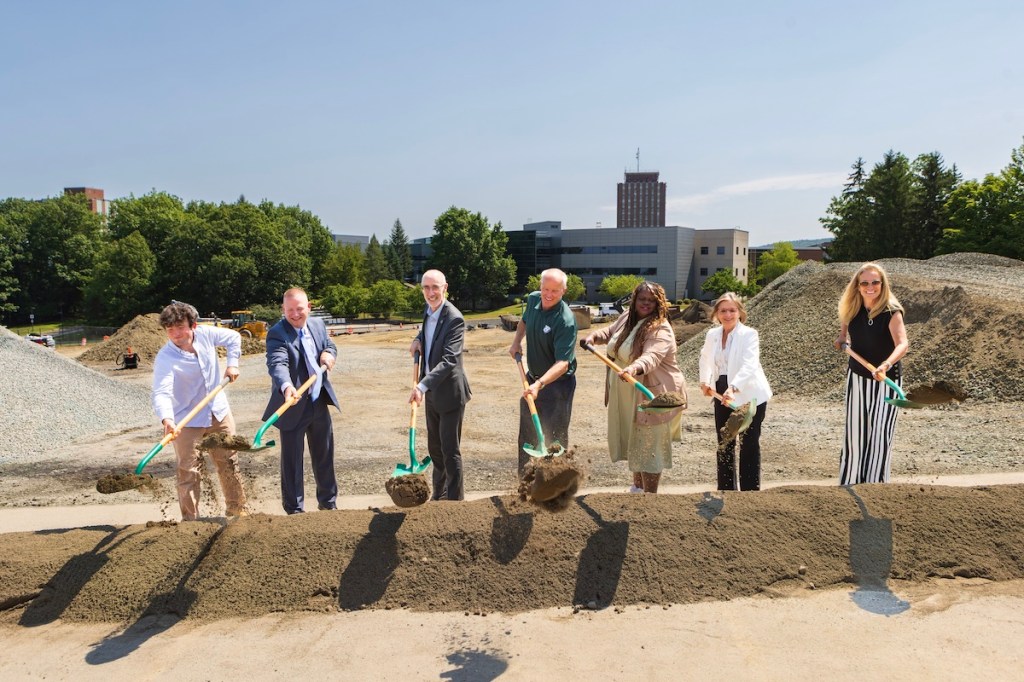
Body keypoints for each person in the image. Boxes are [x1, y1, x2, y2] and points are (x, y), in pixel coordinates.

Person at [582, 281, 686, 493]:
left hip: (650, 394)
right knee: (636, 441)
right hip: (628, 390)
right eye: (642, 299)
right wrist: (593, 337)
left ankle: (649, 496)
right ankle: (637, 489)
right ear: (634, 300)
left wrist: (633, 369)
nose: (646, 303)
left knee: (649, 446)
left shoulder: (660, 328)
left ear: (659, 304)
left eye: (651, 300)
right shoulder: (627, 319)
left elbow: (652, 356)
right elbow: (610, 333)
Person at [151, 301, 248, 520]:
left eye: (180, 327)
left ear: (193, 325)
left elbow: (234, 338)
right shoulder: (166, 358)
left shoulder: (205, 334)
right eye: (170, 329)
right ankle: (191, 521)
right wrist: (167, 420)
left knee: (228, 461)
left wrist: (233, 364)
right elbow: (162, 392)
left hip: (218, 412)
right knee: (188, 470)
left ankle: (237, 510)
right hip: (186, 419)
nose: (175, 334)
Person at [263, 287, 339, 514]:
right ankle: (295, 510)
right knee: (292, 463)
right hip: (292, 405)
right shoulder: (277, 333)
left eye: (299, 309)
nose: (295, 314)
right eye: (289, 310)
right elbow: (277, 364)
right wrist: (286, 387)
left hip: (317, 401)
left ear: (309, 307)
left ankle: (328, 504)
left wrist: (329, 353)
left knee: (324, 456)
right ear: (283, 310)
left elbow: (329, 345)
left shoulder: (317, 325)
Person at [834, 262, 909, 485]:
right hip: (857, 378)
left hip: (886, 380)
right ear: (857, 286)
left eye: (875, 282)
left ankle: (876, 488)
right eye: (865, 282)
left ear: (882, 284)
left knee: (879, 436)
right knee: (855, 433)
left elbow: (903, 344)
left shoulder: (891, 312)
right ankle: (849, 483)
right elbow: (844, 336)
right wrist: (841, 340)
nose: (870, 287)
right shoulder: (851, 308)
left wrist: (885, 364)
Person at [698, 292, 773, 491]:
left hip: (749, 393)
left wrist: (734, 388)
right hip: (721, 391)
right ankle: (726, 489)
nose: (728, 314)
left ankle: (750, 492)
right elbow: (705, 359)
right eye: (723, 310)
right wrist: (705, 381)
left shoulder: (749, 334)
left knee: (748, 442)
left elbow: (750, 365)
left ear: (740, 312)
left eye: (732, 310)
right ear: (716, 313)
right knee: (725, 441)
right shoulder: (712, 335)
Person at [408, 270, 472, 500]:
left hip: (450, 394)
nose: (431, 292)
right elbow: (428, 333)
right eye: (426, 288)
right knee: (435, 449)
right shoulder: (429, 311)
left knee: (450, 451)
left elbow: (450, 359)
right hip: (432, 393)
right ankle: (440, 496)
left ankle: (455, 502)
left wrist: (422, 386)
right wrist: (418, 339)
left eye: (435, 287)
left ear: (445, 288)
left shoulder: (454, 318)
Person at [508, 268, 577, 475]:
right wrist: (516, 341)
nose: (548, 294)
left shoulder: (565, 320)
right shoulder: (533, 300)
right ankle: (526, 483)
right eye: (545, 288)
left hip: (558, 386)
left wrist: (539, 385)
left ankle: (556, 483)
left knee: (555, 439)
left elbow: (563, 363)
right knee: (527, 436)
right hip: (533, 380)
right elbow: (525, 321)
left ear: (564, 290)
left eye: (555, 291)